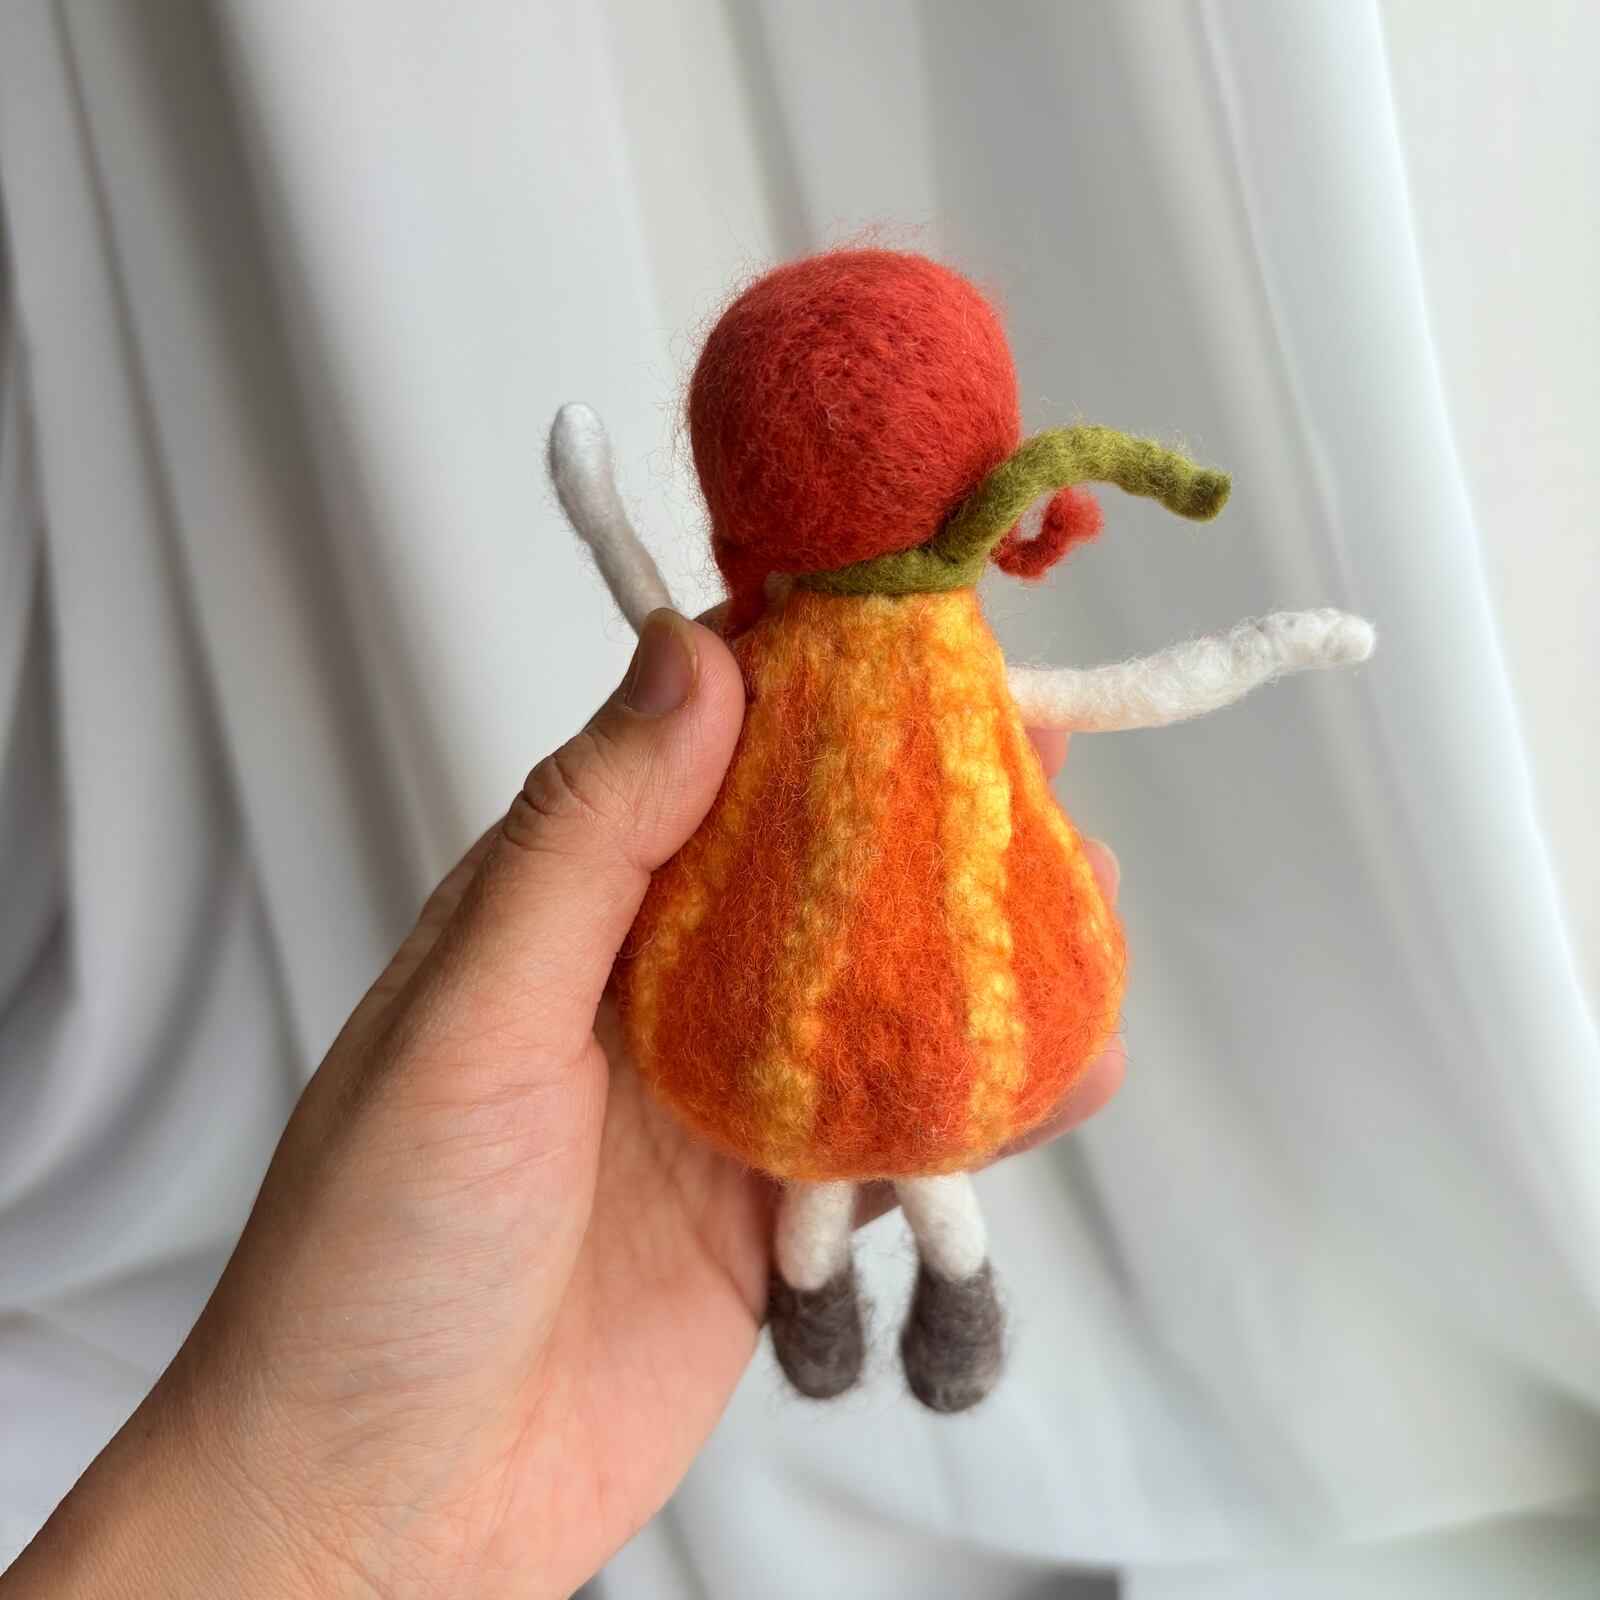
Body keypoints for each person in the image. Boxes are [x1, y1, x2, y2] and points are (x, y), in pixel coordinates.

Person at [1, 610, 1121, 1599]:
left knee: (883, 1157)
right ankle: (859, 1300)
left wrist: (319, 1531)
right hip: (818, 1066)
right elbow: (1110, 692)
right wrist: (319, 1521)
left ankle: (923, 1297)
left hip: (860, 1060)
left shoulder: (871, 670)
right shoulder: (786, 677)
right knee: (855, 1164)